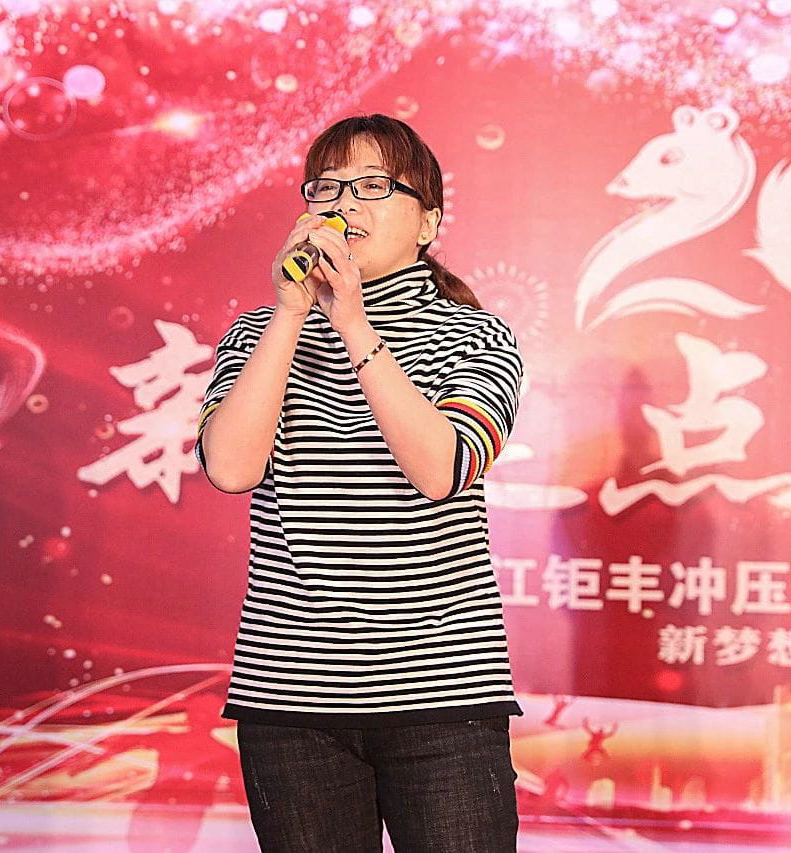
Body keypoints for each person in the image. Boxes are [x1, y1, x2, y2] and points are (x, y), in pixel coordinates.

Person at [194, 113, 524, 852]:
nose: (345, 202)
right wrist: (291, 311)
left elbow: (441, 469)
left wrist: (353, 323)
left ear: (428, 222)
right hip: (290, 697)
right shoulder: (255, 335)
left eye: (375, 185)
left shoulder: (475, 334)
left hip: (443, 695)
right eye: (328, 186)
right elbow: (231, 468)